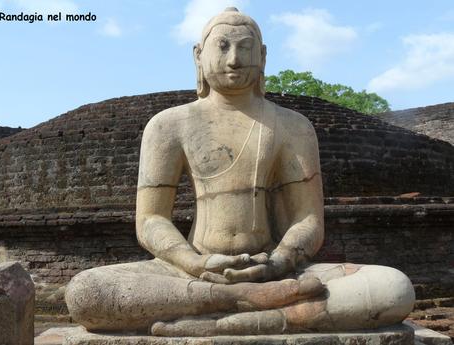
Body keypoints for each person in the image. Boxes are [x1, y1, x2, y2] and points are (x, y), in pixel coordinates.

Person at [65, 8, 414, 336]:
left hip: (275, 266)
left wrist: (278, 262)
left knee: (394, 288)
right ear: (198, 56)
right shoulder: (168, 125)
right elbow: (151, 220)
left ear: (262, 56)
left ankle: (228, 320)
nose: (234, 59)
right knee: (85, 292)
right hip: (192, 270)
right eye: (223, 47)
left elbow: (308, 220)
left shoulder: (292, 126)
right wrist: (196, 264)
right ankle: (245, 303)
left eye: (245, 48)